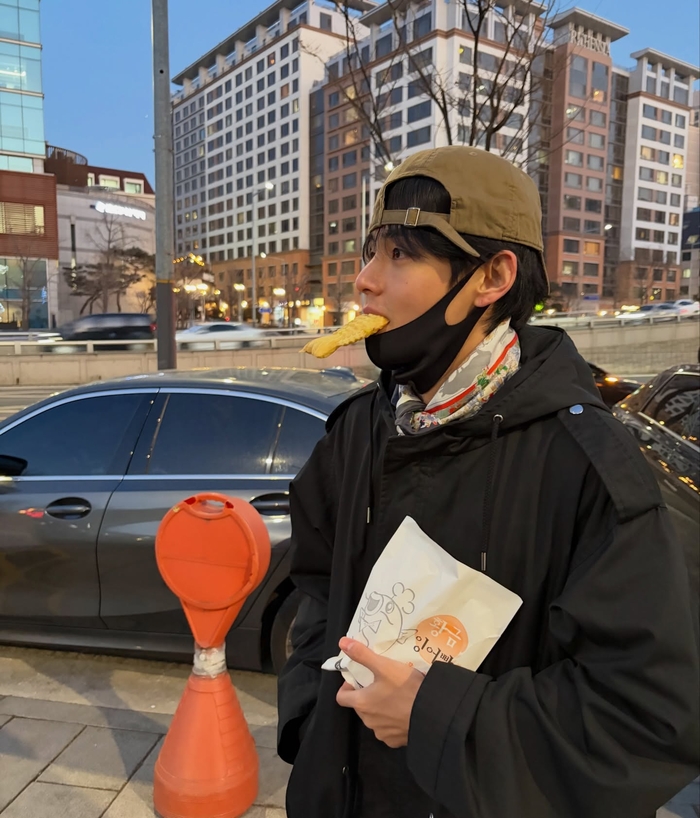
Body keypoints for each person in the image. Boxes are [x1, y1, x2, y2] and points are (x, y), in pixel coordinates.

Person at [277, 146, 699, 818]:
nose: (365, 281)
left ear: (493, 275)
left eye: (400, 254)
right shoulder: (357, 432)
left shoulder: (591, 465)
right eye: (369, 252)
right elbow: (317, 589)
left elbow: (645, 719)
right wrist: (312, 718)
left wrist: (437, 716)